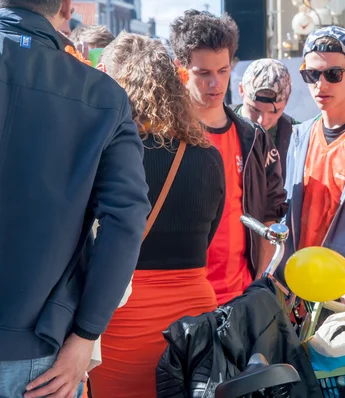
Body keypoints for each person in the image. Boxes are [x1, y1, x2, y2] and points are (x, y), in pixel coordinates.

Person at [0, 2, 150, 398]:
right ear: (67, 6)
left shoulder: (103, 96)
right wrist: (86, 333)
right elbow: (126, 220)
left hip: (37, 350)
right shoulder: (100, 95)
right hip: (37, 350)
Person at [88, 33, 226, 398]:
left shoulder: (109, 154)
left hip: (122, 317)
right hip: (196, 319)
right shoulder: (208, 156)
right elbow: (209, 234)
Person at [170, 10, 287, 305]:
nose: (215, 84)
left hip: (241, 296)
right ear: (181, 69)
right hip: (180, 299)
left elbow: (271, 212)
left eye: (223, 71)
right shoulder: (165, 135)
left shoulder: (253, 137)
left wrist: (262, 282)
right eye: (204, 73)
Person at [281, 26, 345, 281]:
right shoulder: (299, 136)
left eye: (333, 74)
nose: (321, 84)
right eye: (312, 74)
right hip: (300, 284)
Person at [231, 58, 299, 179]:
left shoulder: (299, 136)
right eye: (254, 109)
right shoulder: (219, 124)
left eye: (274, 112)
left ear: (287, 101)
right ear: (241, 90)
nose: (262, 120)